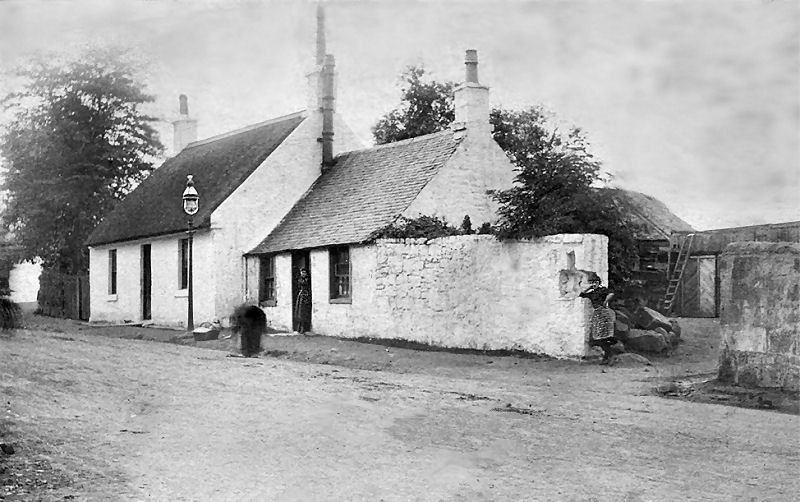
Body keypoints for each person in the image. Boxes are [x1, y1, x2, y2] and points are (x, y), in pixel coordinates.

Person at [579, 272, 617, 364]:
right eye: (592, 282)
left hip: (603, 313)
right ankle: (607, 356)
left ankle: (609, 356)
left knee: (604, 336)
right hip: (597, 314)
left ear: (599, 283)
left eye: (595, 282)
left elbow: (611, 293)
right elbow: (581, 294)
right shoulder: (591, 293)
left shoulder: (602, 290)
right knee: (599, 337)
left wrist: (605, 301)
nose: (594, 284)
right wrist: (589, 288)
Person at [295, 268, 311, 334]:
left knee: (304, 312)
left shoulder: (307, 279)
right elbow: (300, 283)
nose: (303, 274)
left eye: (304, 272)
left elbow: (305, 284)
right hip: (301, 296)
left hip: (306, 296)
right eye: (302, 272)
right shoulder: (300, 279)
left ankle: (304, 328)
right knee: (299, 312)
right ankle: (299, 327)